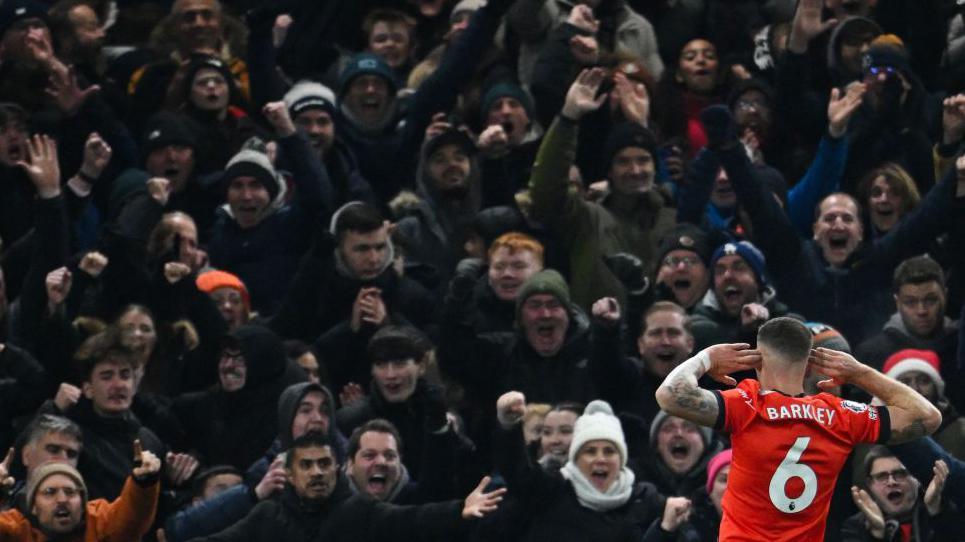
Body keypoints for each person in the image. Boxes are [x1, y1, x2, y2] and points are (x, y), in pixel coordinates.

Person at [655, 316, 942, 540]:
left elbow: (669, 394)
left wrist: (706, 358)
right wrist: (860, 373)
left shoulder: (746, 405)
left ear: (758, 360)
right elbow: (928, 417)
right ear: (807, 368)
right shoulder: (840, 416)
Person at [184, 431, 505, 542]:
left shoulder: (359, 510)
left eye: (324, 464)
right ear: (291, 475)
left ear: (337, 470)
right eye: (306, 465)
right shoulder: (266, 517)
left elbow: (412, 519)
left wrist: (458, 509)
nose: (317, 472)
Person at [529, 68, 675, 310]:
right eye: (624, 162)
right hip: (598, 336)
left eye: (643, 160)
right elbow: (546, 192)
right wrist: (567, 120)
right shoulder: (587, 218)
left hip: (664, 340)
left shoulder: (671, 218)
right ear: (609, 170)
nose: (636, 170)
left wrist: (641, 125)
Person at [494, 393, 666, 540]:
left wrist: (665, 531)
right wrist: (510, 426)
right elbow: (518, 473)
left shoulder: (643, 498)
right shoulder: (553, 490)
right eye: (590, 451)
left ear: (621, 459)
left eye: (609, 451)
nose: (600, 459)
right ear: (575, 458)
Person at [0, 442, 161, 540]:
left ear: (83, 502)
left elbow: (131, 519)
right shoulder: (16, 531)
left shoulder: (100, 524)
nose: (62, 499)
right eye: (50, 492)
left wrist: (143, 482)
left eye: (70, 492)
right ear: (33, 506)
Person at [842, 446, 959, 541]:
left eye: (900, 473)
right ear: (870, 484)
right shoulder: (854, 528)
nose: (891, 482)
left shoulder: (948, 513)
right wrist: (876, 534)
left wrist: (935, 508)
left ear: (916, 478)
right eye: (882, 476)